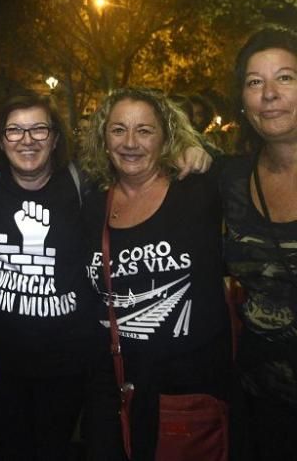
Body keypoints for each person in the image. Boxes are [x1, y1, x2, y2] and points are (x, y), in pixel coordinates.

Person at [80, 87, 231, 460]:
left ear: (167, 136)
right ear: (104, 137)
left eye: (145, 131)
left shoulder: (199, 191)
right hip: (114, 385)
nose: (130, 143)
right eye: (118, 130)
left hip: (186, 390)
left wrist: (205, 153)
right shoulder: (92, 204)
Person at [0, 93, 99, 461]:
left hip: (67, 361)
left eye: (39, 129)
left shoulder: (84, 186)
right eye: (15, 130)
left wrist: (189, 154)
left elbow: (146, 173)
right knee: (13, 450)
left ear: (56, 138)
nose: (27, 140)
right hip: (1, 362)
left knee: (54, 449)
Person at [220, 24, 297, 460]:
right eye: (255, 82)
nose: (269, 94)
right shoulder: (229, 178)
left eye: (285, 77)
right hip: (258, 405)